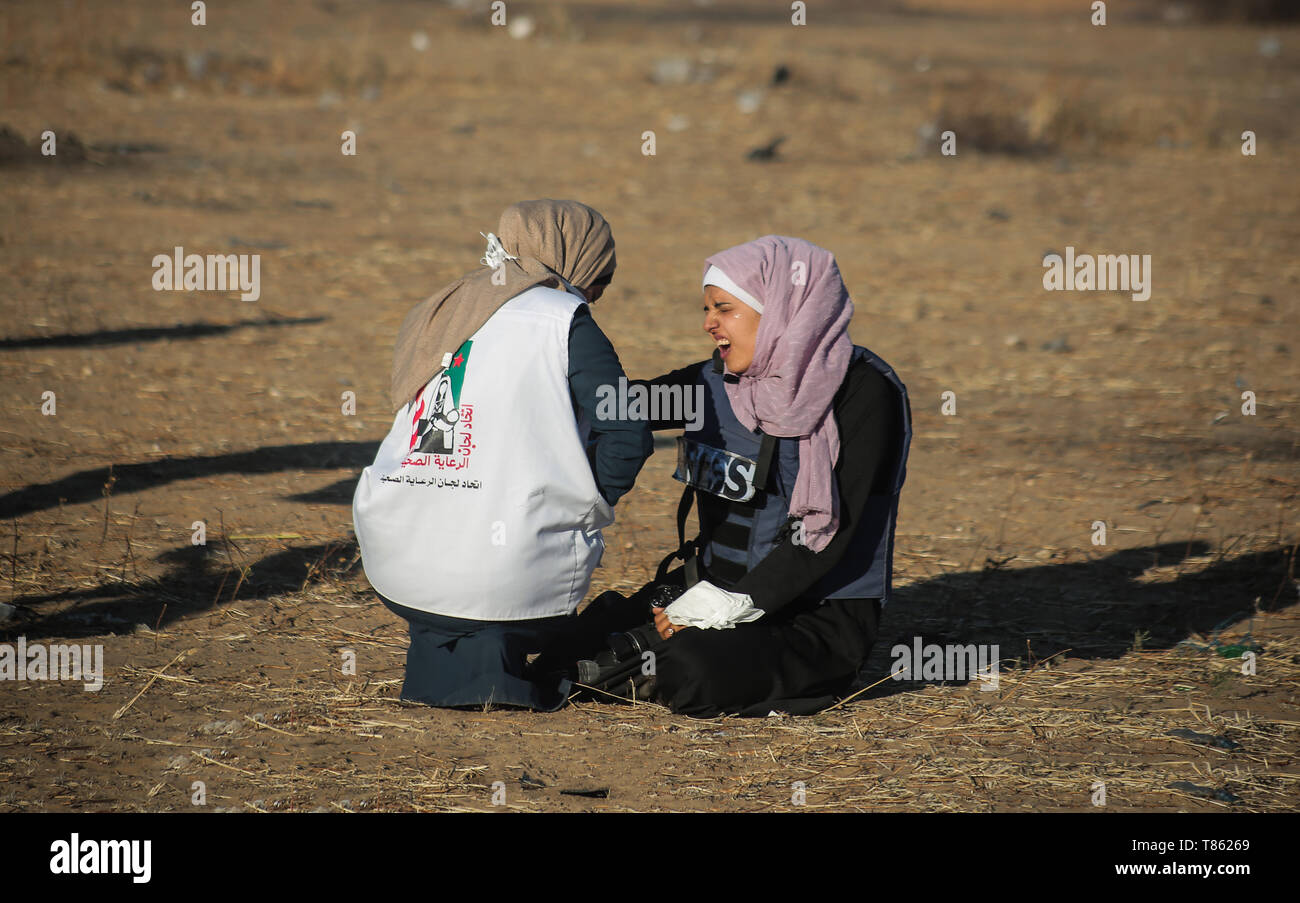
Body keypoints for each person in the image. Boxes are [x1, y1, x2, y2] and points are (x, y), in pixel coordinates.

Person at [546, 235, 911, 717]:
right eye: (706, 309)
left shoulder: (863, 393)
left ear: (781, 308)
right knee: (570, 639)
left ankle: (646, 665)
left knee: (693, 667)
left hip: (814, 614)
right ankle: (630, 660)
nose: (708, 324)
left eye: (724, 308)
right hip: (706, 589)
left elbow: (832, 530)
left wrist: (724, 610)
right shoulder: (714, 383)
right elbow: (619, 408)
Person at [352, 199, 653, 711]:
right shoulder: (563, 319)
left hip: (395, 561)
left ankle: (445, 654)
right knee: (502, 570)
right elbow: (628, 433)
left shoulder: (447, 304)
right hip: (508, 577)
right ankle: (498, 659)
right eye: (602, 275)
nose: (600, 291)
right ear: (573, 260)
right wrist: (585, 505)